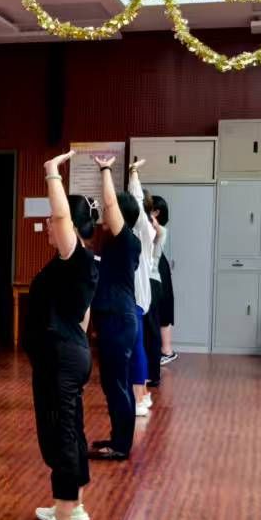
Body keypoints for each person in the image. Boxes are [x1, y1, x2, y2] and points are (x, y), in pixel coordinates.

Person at [20, 151, 99, 520]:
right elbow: (82, 317)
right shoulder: (74, 266)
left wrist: (52, 173)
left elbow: (63, 217)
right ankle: (74, 506)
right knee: (69, 429)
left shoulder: (76, 258)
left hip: (61, 359)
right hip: (65, 355)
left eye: (54, 219)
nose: (49, 224)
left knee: (61, 434)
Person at [88, 156, 141, 461]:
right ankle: (117, 438)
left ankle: (120, 446)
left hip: (119, 320)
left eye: (111, 211)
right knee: (112, 384)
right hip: (114, 319)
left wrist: (105, 170)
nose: (105, 213)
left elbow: (110, 203)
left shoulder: (125, 241)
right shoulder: (115, 243)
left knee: (118, 384)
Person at [129, 161, 160, 411]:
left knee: (137, 346)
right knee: (137, 345)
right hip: (138, 295)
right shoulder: (143, 229)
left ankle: (139, 398)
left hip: (137, 296)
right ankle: (143, 394)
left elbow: (136, 202)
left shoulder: (142, 229)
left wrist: (133, 174)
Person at [149, 195, 176, 365]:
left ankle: (167, 350)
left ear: (156, 212)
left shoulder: (158, 229)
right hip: (158, 267)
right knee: (160, 306)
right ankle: (165, 349)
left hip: (160, 268)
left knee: (163, 305)